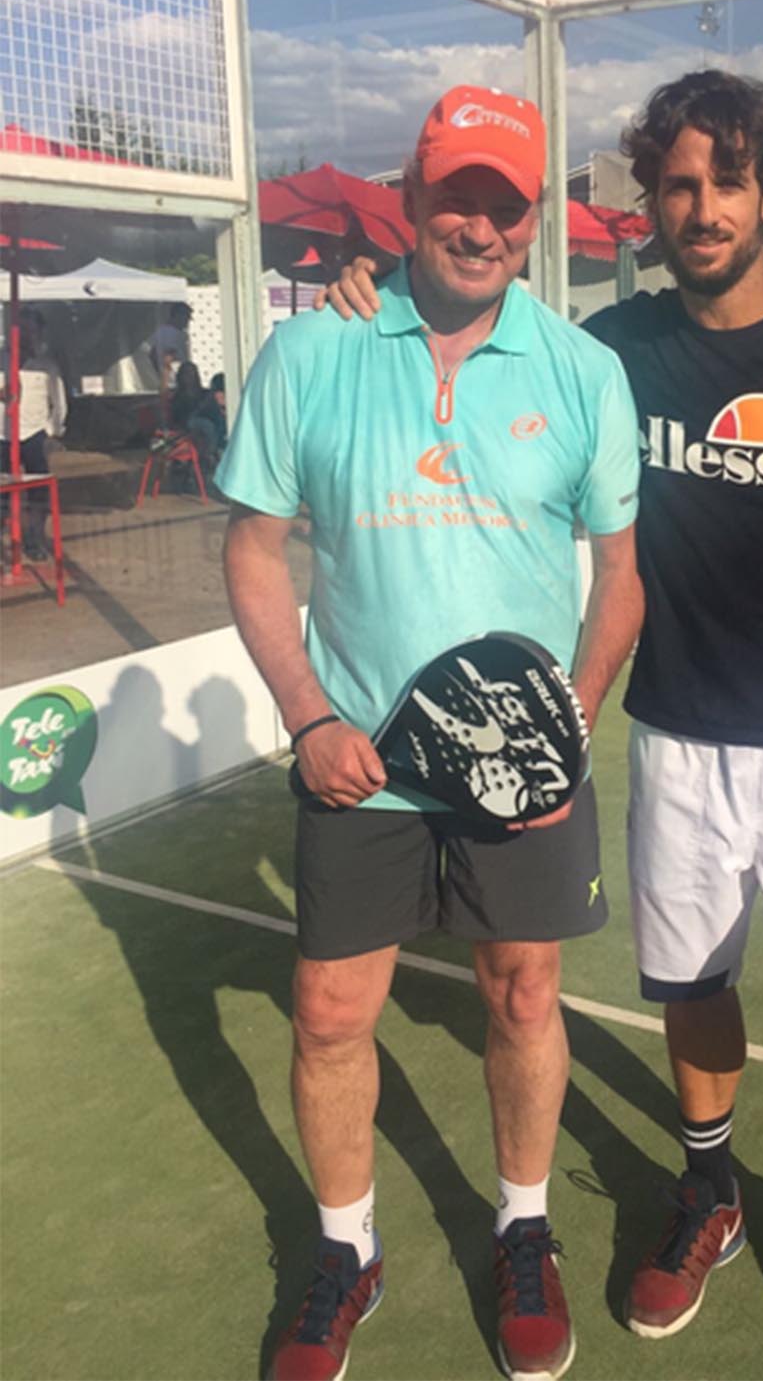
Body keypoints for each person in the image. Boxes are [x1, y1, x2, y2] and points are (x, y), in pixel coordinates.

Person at [322, 69, 763, 1372]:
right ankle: (712, 1190)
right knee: (696, 990)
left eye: (729, 181)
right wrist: (366, 305)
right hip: (674, 737)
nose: (703, 205)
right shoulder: (610, 354)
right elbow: (469, 376)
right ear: (649, 202)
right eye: (678, 182)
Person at [217, 84, 643, 1381]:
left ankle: (523, 1228)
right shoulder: (314, 351)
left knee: (524, 992)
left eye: (504, 203)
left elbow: (620, 578)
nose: (479, 224)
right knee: (334, 1012)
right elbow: (251, 547)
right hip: (363, 767)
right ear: (410, 199)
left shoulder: (584, 371)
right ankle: (346, 1248)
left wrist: (563, 722)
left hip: (523, 772)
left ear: (530, 222)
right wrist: (307, 714)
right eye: (456, 194)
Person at [0, 311, 68, 560]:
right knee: (2, 491)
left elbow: (58, 399)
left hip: (34, 433)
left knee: (39, 491)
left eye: (31, 332)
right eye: (22, 331)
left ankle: (34, 538)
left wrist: (54, 430)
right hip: (2, 434)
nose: (27, 337)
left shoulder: (46, 366)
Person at [167, 360, 226, 477]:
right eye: (186, 374)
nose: (189, 377)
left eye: (192, 373)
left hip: (208, 424)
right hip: (188, 428)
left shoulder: (204, 393)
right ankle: (211, 453)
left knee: (215, 422)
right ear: (181, 377)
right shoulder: (177, 398)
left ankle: (219, 448)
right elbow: (178, 420)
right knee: (203, 424)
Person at [149, 304, 190, 381]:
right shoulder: (171, 333)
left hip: (170, 379)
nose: (188, 321)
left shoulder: (163, 331)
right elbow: (168, 357)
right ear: (178, 315)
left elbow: (152, 354)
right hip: (175, 380)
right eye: (187, 317)